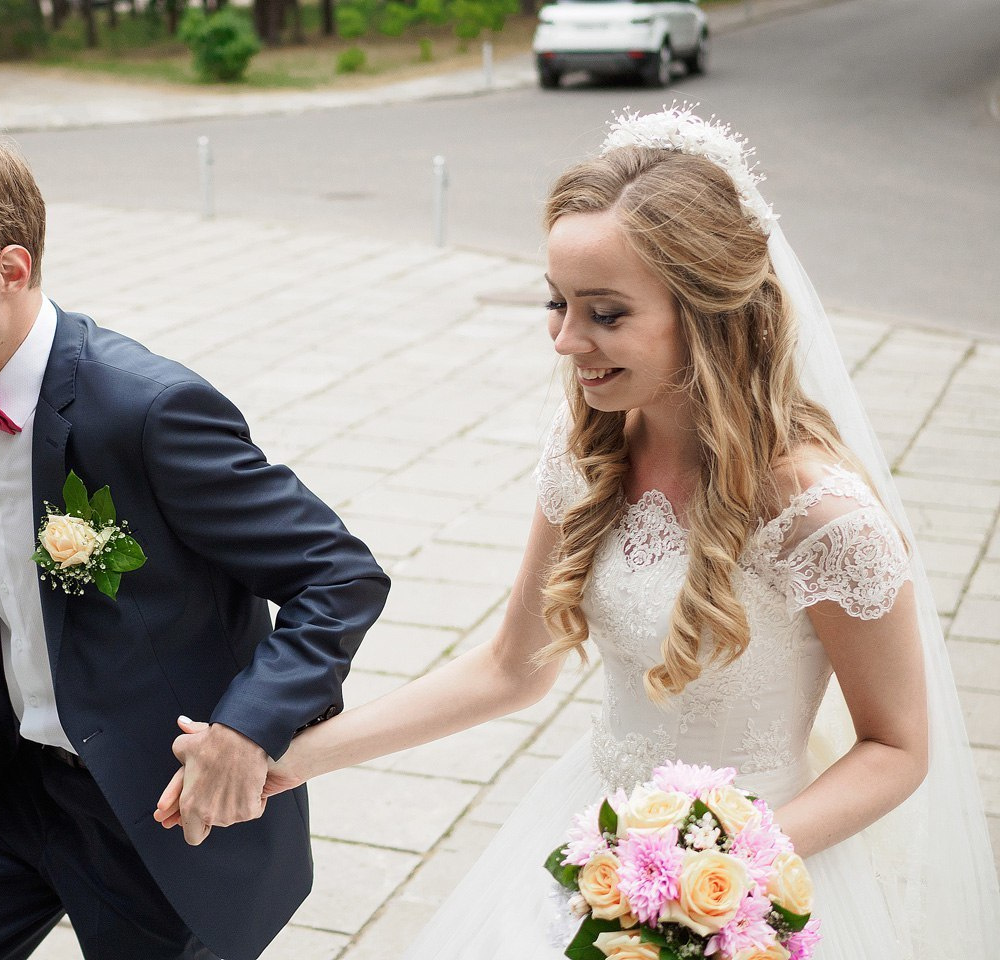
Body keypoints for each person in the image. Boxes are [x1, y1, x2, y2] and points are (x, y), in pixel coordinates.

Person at [156, 107, 1000, 957]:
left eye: (605, 313)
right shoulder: (587, 455)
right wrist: (285, 759)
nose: (566, 341)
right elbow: (510, 669)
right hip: (591, 841)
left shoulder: (821, 515)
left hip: (746, 878)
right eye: (556, 304)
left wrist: (717, 870)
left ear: (705, 310)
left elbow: (896, 748)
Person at [0, 126, 390, 960]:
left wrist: (247, 729)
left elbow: (339, 575)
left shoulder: (149, 410)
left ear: (10, 270)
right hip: (17, 796)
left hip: (148, 815)